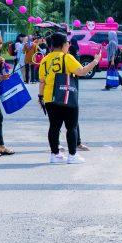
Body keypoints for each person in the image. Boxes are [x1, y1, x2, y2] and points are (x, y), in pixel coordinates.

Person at [38, 32, 100, 164]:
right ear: (63, 45)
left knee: (54, 127)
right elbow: (82, 71)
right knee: (71, 127)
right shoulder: (67, 57)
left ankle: (54, 155)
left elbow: (42, 82)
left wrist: (40, 96)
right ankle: (72, 155)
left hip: (49, 98)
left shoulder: (45, 60)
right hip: (66, 96)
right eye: (67, 43)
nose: (68, 46)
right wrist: (95, 61)